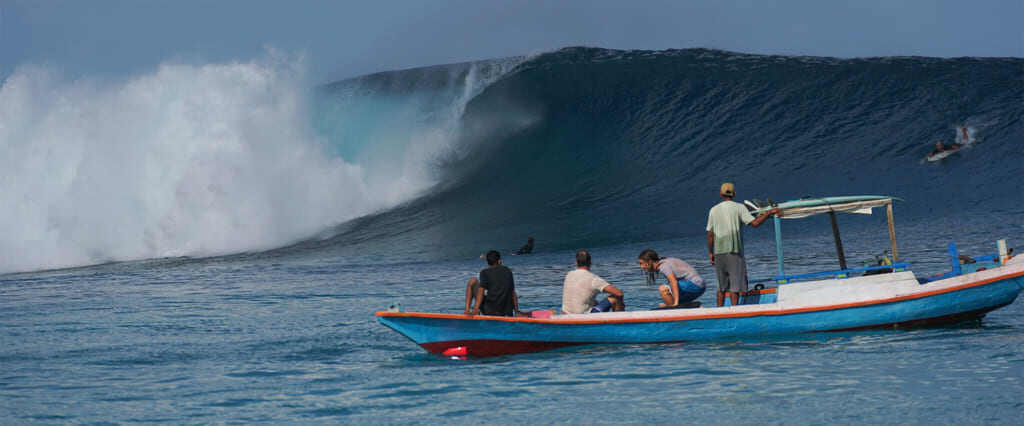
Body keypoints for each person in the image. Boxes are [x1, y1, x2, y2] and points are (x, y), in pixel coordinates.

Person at [706, 183, 779, 307]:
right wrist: (768, 213)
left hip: (719, 252)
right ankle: (734, 312)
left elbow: (710, 234)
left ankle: (718, 312)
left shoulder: (713, 210)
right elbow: (755, 223)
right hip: (734, 251)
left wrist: (711, 252)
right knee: (735, 286)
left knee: (721, 287)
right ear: (734, 194)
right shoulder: (739, 207)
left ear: (720, 194)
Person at [561, 250, 625, 314]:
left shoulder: (568, 275)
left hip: (566, 315)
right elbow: (619, 293)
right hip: (583, 317)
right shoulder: (593, 279)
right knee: (615, 298)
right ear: (590, 262)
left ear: (576, 263)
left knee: (593, 302)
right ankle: (620, 320)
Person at [636, 249, 705, 308]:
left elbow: (673, 282)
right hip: (699, 285)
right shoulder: (664, 262)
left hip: (695, 284)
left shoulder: (663, 266)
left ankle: (674, 308)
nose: (641, 267)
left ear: (650, 261)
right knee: (668, 299)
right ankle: (693, 306)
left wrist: (675, 303)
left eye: (641, 263)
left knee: (663, 289)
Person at [464, 250, 522, 316]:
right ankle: (517, 312)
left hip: (490, 311)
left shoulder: (485, 272)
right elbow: (512, 292)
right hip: (506, 311)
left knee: (472, 282)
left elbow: (481, 291)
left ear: (487, 262)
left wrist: (475, 310)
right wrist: (516, 311)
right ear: (499, 261)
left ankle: (466, 311)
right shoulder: (508, 271)